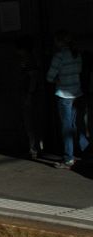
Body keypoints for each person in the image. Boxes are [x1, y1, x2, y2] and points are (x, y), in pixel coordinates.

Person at [46, 30, 87, 168]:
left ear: (60, 41)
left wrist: (58, 78)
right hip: (78, 94)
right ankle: (85, 152)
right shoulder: (77, 54)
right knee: (78, 125)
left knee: (66, 128)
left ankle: (69, 158)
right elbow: (80, 71)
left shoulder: (59, 56)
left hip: (64, 96)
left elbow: (49, 77)